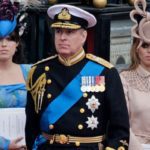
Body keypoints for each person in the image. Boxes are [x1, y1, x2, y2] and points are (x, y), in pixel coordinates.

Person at [25, 4, 130, 150]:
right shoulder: (39, 72)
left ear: (84, 36)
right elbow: (31, 126)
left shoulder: (104, 72)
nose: (62, 37)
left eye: (69, 32)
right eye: (58, 31)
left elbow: (120, 130)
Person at [0, 0, 37, 149]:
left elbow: (43, 113)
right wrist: (5, 145)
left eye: (9, 39)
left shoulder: (31, 72)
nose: (3, 44)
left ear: (17, 44)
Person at [120, 0, 150, 150]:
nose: (149, 51)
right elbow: (121, 123)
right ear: (136, 49)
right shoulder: (125, 78)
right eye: (145, 46)